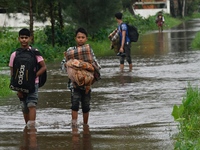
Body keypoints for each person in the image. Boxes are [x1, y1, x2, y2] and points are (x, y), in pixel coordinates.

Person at [9, 28, 46, 126]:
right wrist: (17, 88)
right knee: (24, 107)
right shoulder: (14, 54)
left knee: (31, 104)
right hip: (20, 85)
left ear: (30, 38)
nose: (24, 40)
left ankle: (32, 129)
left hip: (34, 84)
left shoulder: (35, 53)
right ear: (19, 39)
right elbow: (12, 73)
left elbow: (43, 67)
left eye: (26, 38)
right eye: (22, 38)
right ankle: (27, 128)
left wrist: (34, 76)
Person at [63, 27, 101, 126]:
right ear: (75, 38)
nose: (80, 39)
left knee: (86, 105)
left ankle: (85, 125)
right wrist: (70, 64)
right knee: (74, 104)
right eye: (78, 37)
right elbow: (63, 65)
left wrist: (86, 66)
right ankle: (74, 125)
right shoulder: (70, 51)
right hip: (74, 84)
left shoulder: (89, 51)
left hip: (87, 84)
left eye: (83, 37)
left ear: (86, 39)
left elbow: (95, 64)